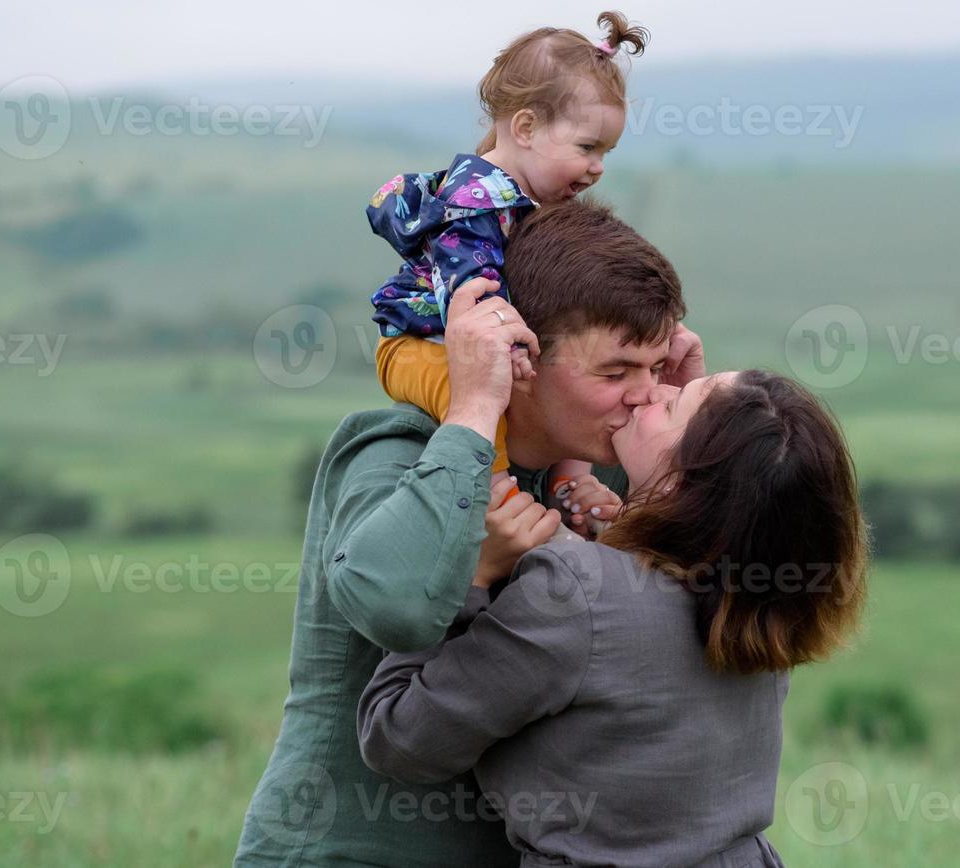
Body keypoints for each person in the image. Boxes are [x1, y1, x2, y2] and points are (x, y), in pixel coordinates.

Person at [234, 198, 702, 867]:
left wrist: (690, 430)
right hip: (346, 846)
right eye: (616, 371)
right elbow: (391, 601)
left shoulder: (573, 474)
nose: (643, 394)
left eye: (655, 370)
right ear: (521, 355)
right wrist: (477, 403)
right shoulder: (396, 449)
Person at [357, 369, 870, 867]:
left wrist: (467, 577)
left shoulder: (576, 588)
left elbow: (399, 739)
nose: (651, 390)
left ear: (685, 481)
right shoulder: (758, 596)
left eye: (670, 403)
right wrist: (637, 511)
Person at [366, 10, 649, 534]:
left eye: (606, 151)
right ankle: (494, 495)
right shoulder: (475, 204)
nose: (598, 167)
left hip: (485, 337)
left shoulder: (523, 200)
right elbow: (470, 297)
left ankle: (566, 479)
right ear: (525, 127)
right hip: (420, 346)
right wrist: (512, 349)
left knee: (560, 389)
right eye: (587, 147)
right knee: (478, 396)